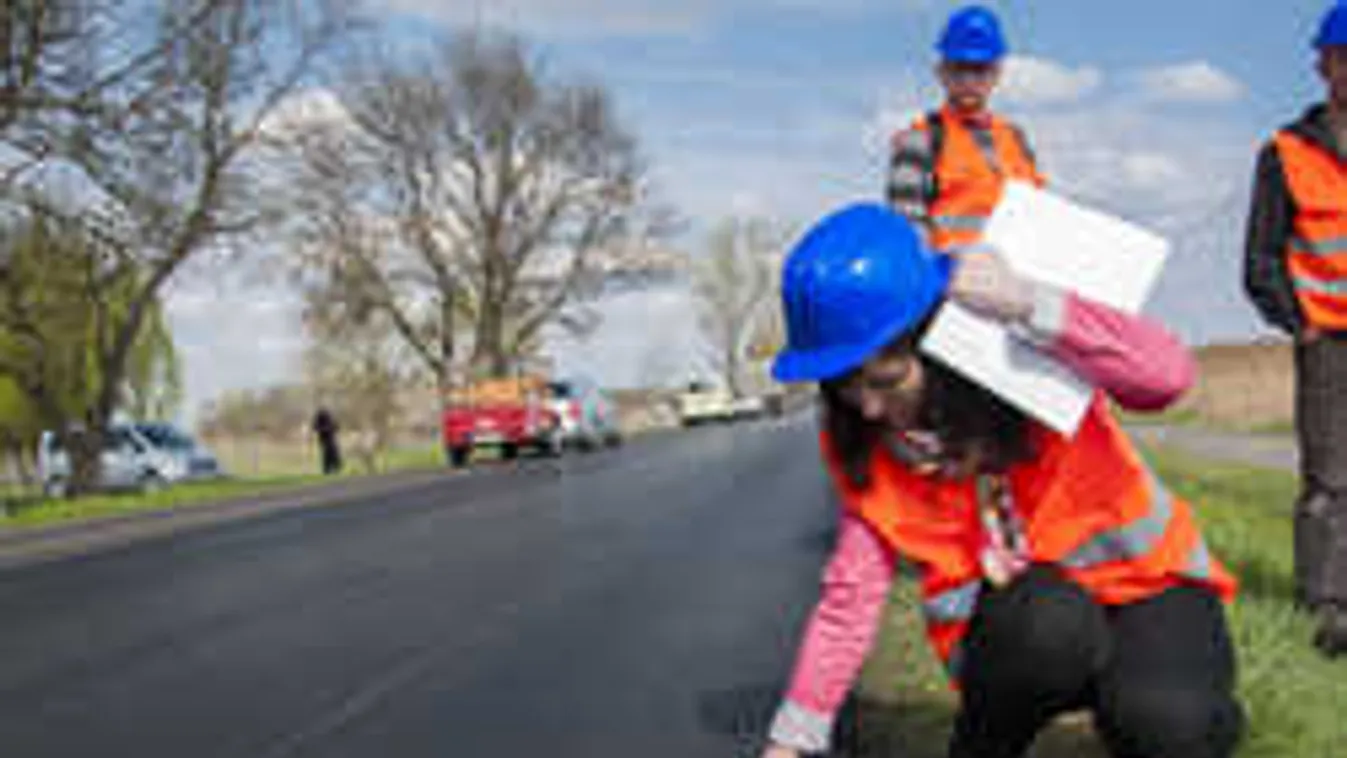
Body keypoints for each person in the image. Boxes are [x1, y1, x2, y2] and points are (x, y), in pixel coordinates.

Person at [760, 203, 1244, 758]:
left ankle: (1141, 704)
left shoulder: (1027, 356)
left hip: (1148, 583)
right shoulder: (870, 451)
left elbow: (1167, 378)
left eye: (887, 380)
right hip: (1026, 628)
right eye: (846, 388)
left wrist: (1033, 305)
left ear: (934, 343)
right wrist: (790, 742)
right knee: (1047, 625)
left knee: (1170, 725)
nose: (868, 408)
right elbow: (849, 601)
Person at [1243, 1, 1347, 658]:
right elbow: (1258, 260)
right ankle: (1324, 605)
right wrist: (1299, 324)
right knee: (1330, 478)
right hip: (1327, 342)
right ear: (1322, 64)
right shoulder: (1284, 151)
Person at [887, 5, 1046, 250]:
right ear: (941, 73)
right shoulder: (921, 139)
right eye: (959, 69)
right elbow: (906, 229)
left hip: (1017, 279)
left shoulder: (1016, 139)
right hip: (952, 279)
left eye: (979, 70)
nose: (968, 81)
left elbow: (1040, 213)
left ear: (997, 74)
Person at [312, 407, 343, 476]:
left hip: (330, 438)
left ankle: (334, 467)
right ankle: (328, 468)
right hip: (325, 439)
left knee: (333, 451)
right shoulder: (321, 419)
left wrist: (333, 428)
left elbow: (336, 427)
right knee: (328, 453)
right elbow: (316, 428)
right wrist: (325, 429)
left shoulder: (330, 419)